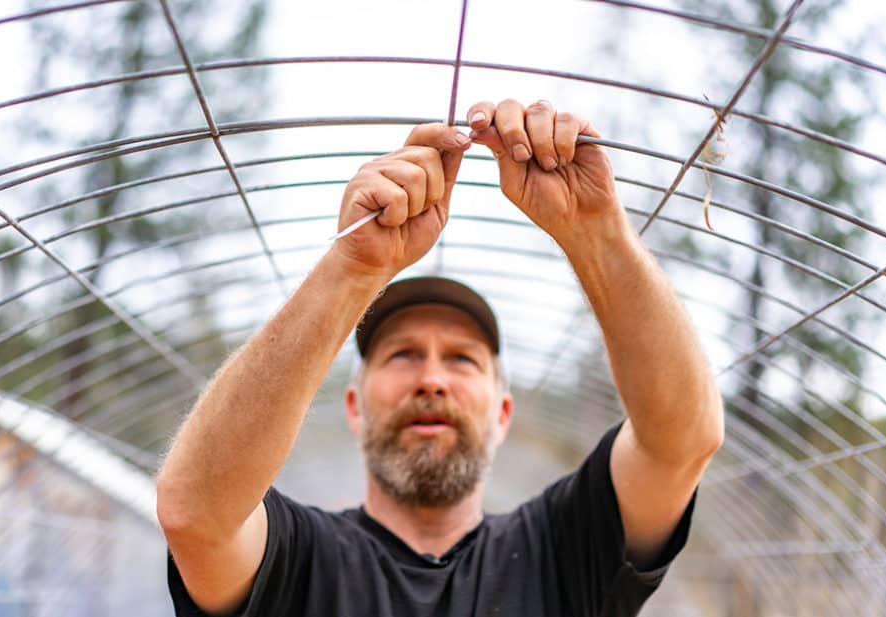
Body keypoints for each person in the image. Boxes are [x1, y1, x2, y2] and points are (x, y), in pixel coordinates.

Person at [157, 99, 725, 616]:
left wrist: (597, 232)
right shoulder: (296, 559)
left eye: (462, 360)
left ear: (504, 413)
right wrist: (352, 270)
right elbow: (194, 513)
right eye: (403, 355)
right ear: (353, 407)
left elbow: (681, 439)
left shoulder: (561, 549)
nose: (431, 379)